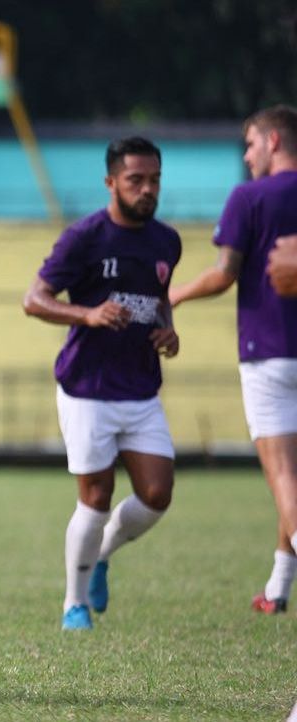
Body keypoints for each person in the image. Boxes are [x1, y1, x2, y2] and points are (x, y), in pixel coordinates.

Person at [23, 137, 181, 631]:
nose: (147, 188)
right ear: (111, 182)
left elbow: (158, 297)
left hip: (140, 387)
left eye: (154, 179)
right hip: (87, 388)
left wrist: (168, 328)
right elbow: (34, 299)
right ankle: (74, 604)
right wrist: (87, 313)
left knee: (157, 494)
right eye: (136, 179)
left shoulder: (166, 241)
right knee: (96, 494)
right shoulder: (85, 237)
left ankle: (104, 553)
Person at [170, 105, 297, 614]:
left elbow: (224, 274)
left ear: (272, 140)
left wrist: (173, 295)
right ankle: (278, 585)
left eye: (248, 145)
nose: (246, 156)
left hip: (268, 355)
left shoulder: (250, 197)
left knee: (284, 478)